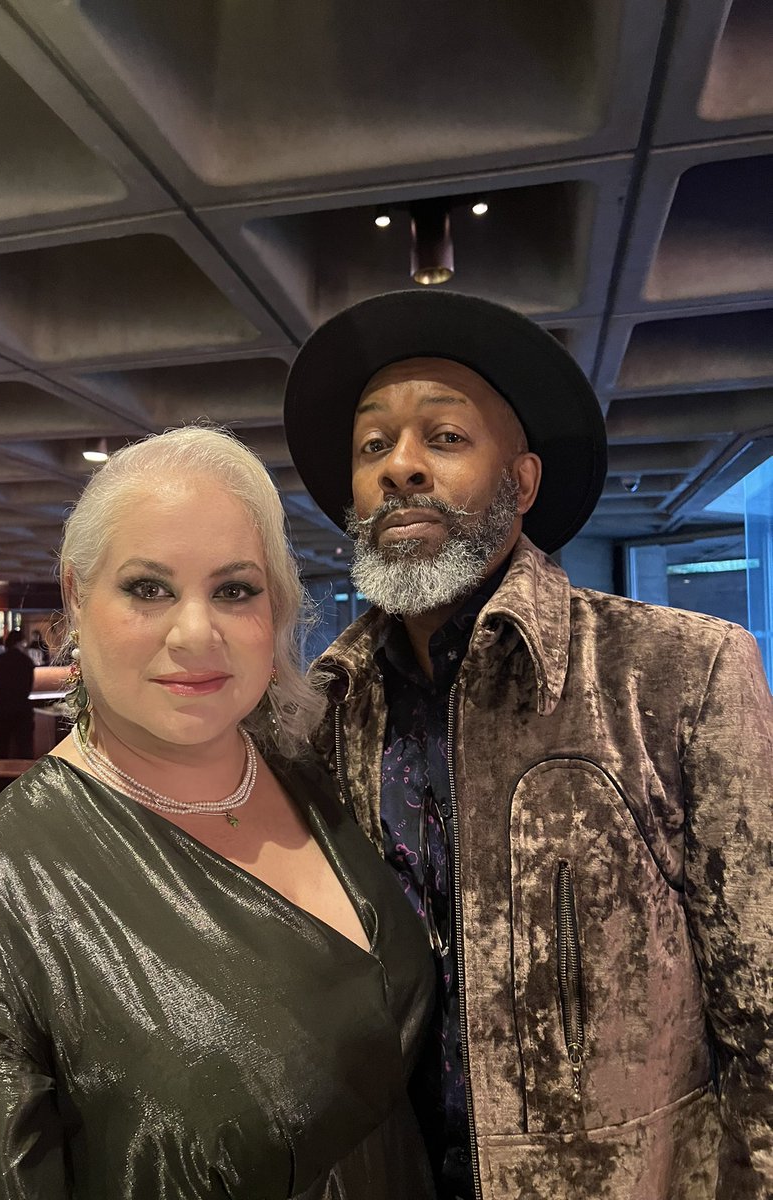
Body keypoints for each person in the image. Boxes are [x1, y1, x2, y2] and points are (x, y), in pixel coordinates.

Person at [283, 290, 773, 1200]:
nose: (402, 469)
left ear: (524, 482)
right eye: (373, 445)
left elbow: (763, 1000)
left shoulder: (679, 671)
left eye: (446, 438)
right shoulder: (324, 710)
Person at [0, 426, 436, 1200]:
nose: (195, 633)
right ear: (75, 596)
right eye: (148, 588)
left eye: (234, 590)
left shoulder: (317, 781)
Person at [0, 628, 35, 758]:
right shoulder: (26, 661)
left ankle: (1, 775)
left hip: (2, 706)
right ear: (20, 642)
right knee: (23, 746)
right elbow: (28, 687)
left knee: (1, 745)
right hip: (22, 707)